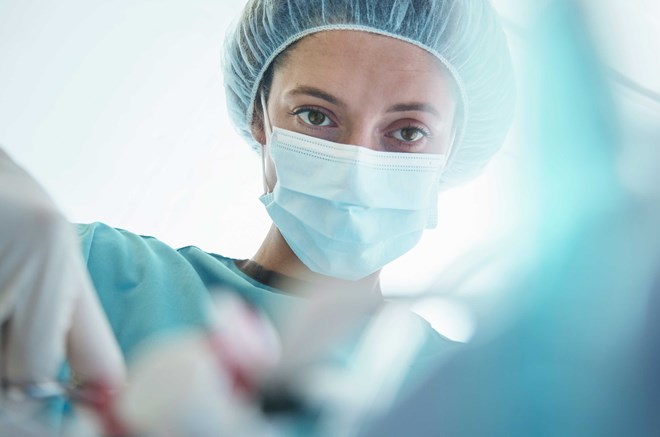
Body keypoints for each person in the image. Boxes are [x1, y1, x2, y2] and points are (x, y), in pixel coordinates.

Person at [1, 0, 513, 427]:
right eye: (316, 116)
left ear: (451, 150)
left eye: (407, 132)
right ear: (259, 117)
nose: (358, 164)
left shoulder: (474, 391)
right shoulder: (85, 272)